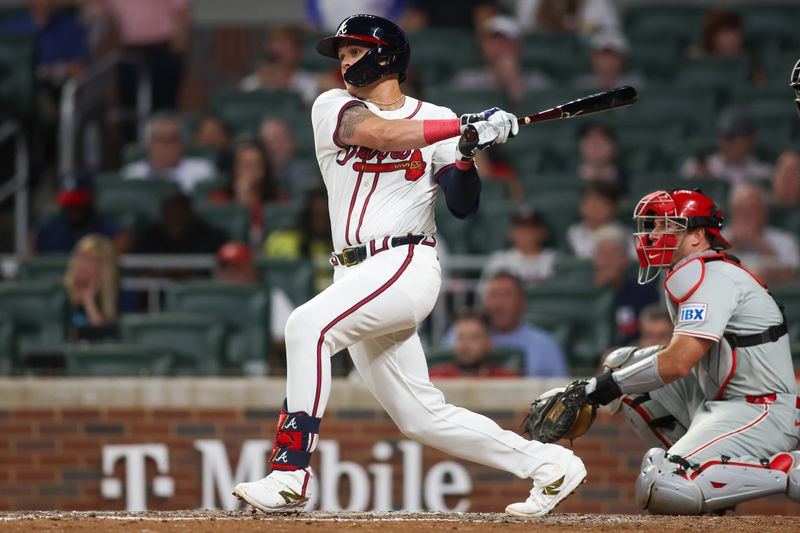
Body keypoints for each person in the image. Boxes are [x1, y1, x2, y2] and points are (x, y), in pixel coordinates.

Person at [232, 14, 584, 518]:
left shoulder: (436, 117)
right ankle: (549, 464)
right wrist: (463, 127)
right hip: (352, 272)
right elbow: (380, 133)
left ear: (387, 54)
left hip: (404, 261)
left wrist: (466, 152)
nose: (346, 61)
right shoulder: (334, 106)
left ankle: (290, 472)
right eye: (343, 54)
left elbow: (464, 204)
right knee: (420, 417)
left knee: (306, 326)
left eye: (354, 51)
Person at [535, 188, 799, 514]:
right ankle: (701, 477)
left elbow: (677, 362)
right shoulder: (698, 270)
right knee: (623, 368)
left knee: (662, 485)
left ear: (697, 235)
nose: (653, 235)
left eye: (666, 226)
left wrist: (594, 390)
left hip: (761, 409)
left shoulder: (711, 275)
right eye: (654, 226)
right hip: (720, 401)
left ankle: (787, 472)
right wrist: (602, 384)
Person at [105, 0, 189, 113]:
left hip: (163, 47)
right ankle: (133, 131)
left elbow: (181, 10)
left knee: (164, 106)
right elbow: (108, 13)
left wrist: (177, 50)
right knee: (130, 104)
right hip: (130, 50)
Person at [450, 15, 550, 107]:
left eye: (505, 41)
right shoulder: (466, 81)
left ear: (518, 46)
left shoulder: (538, 82)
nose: (499, 46)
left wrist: (514, 81)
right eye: (493, 40)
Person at [482, 272, 568, 378]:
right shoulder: (462, 338)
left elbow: (559, 390)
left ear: (521, 302)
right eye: (493, 295)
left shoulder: (544, 345)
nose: (499, 303)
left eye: (506, 295)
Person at [592, 226, 659, 346]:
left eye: (612, 255)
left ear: (626, 259)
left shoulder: (643, 292)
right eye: (601, 255)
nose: (606, 262)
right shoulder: (582, 291)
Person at [33, 174, 131, 255]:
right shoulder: (51, 229)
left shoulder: (106, 227)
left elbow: (123, 239)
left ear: (91, 199)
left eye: (77, 204)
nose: (73, 209)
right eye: (69, 204)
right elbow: (29, 255)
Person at [722, 184, 800, 284]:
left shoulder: (784, 240)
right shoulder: (718, 239)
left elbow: (793, 273)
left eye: (754, 208)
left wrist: (759, 243)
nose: (748, 214)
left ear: (765, 211)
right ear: (734, 211)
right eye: (743, 209)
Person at [122, 112, 216, 194]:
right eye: (161, 139)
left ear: (182, 144)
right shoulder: (131, 174)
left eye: (173, 139)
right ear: (149, 145)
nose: (167, 145)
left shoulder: (202, 172)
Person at [262, 188, 334, 294]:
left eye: (324, 215)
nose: (320, 221)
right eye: (316, 214)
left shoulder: (341, 247)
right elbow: (269, 277)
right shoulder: (282, 240)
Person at [210, 140, 279, 247]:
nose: (252, 170)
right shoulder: (217, 200)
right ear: (235, 168)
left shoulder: (278, 202)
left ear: (264, 169)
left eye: (256, 165)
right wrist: (240, 202)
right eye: (246, 165)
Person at [680, 109, 772, 186]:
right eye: (721, 137)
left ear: (749, 139)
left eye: (730, 138)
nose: (724, 143)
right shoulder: (706, 166)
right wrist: (702, 182)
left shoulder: (762, 172)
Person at [239, 26, 320, 107]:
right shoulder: (253, 81)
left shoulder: (309, 82)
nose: (280, 50)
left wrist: (285, 86)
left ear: (298, 51)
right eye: (276, 43)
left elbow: (309, 108)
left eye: (286, 46)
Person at [479, 205, 557, 288]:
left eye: (532, 226)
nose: (526, 231)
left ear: (543, 232)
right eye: (520, 227)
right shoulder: (498, 261)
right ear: (510, 232)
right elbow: (485, 293)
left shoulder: (556, 260)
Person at [429, 310, 519, 378]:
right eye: (460, 337)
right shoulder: (435, 378)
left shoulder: (506, 379)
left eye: (474, 338)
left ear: (488, 342)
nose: (465, 345)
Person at [63, 234, 119, 341]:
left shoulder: (109, 306)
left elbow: (104, 345)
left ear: (104, 271)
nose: (83, 266)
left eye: (91, 261)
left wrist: (89, 302)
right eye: (81, 258)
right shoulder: (60, 297)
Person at [132, 192, 228, 254]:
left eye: (179, 218)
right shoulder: (148, 238)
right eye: (171, 219)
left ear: (190, 216)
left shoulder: (211, 238)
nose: (175, 223)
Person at [258, 118, 317, 201]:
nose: (273, 146)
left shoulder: (303, 171)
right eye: (268, 141)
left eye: (278, 139)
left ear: (291, 142)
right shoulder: (258, 172)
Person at [566, 181, 628, 259]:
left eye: (600, 202)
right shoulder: (573, 232)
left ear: (613, 207)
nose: (594, 207)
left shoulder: (626, 235)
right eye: (589, 201)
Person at [573, 32, 643, 92]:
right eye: (602, 56)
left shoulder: (635, 86)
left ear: (623, 60)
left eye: (613, 56)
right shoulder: (582, 85)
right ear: (593, 59)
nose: (607, 62)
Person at [574, 121, 630, 191]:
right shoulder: (569, 176)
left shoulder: (630, 178)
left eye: (601, 142)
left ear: (614, 146)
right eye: (589, 141)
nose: (594, 147)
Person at [513, 0, 620, 36]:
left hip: (585, 61)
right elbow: (524, 33)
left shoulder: (599, 3)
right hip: (542, 63)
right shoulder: (528, 2)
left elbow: (612, 31)